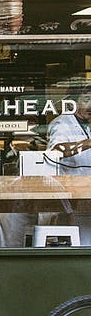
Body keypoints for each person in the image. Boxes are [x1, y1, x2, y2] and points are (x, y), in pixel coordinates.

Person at [46, 89, 91, 244]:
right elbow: (56, 151)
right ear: (73, 102)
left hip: (87, 194)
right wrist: (87, 143)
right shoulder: (62, 123)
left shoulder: (87, 125)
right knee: (81, 243)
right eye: (86, 99)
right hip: (71, 196)